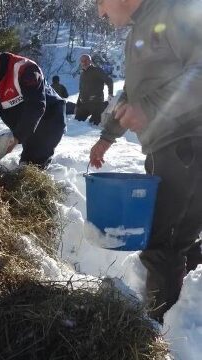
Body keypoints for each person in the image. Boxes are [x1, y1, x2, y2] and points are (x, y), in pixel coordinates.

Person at [90, 0, 202, 323]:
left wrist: (151, 110)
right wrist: (107, 136)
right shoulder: (137, 31)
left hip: (188, 146)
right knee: (180, 241)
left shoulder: (175, 11)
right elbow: (132, 94)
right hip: (165, 151)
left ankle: (156, 338)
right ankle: (186, 324)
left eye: (99, 2)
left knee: (162, 244)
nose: (99, 13)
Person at [0, 38, 66, 169]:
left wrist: (18, 135)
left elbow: (36, 106)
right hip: (26, 124)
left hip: (49, 118)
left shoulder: (25, 69)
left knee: (30, 167)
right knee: (26, 161)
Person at [75, 54, 113, 125]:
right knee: (76, 123)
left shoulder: (97, 71)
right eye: (82, 61)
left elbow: (109, 81)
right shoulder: (82, 74)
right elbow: (81, 91)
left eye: (86, 60)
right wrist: (77, 105)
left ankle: (105, 106)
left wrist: (110, 94)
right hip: (84, 104)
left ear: (90, 61)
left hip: (96, 104)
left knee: (94, 125)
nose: (84, 63)